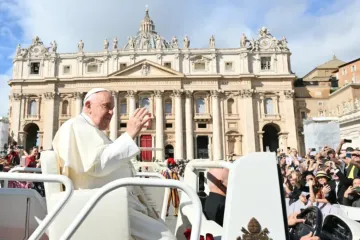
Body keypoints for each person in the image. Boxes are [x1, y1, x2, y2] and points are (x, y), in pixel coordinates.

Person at [52, 88, 175, 240]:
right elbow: (98, 165)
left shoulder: (92, 130)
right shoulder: (76, 126)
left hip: (116, 201)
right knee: (166, 238)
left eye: (113, 108)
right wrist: (129, 134)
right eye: (106, 106)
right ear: (88, 106)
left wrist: (145, 204)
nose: (112, 113)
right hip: (103, 204)